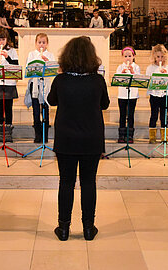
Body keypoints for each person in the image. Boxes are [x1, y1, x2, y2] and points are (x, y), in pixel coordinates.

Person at [47, 36, 110, 241]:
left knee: (66, 182)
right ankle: (88, 228)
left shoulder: (61, 80)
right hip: (91, 138)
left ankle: (63, 228)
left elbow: (51, 100)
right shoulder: (97, 80)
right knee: (88, 182)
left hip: (66, 138)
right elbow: (105, 104)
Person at [0, 28, 19, 143]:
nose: (1, 42)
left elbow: (16, 65)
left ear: (7, 39)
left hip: (9, 83)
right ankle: (0, 132)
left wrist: (7, 57)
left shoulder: (12, 51)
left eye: (3, 39)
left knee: (9, 108)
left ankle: (9, 131)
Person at [26, 33, 56, 143]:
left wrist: (47, 62)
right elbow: (28, 68)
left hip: (46, 86)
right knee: (36, 110)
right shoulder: (32, 54)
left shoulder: (50, 55)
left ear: (47, 44)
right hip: (34, 85)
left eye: (44, 42)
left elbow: (53, 69)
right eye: (39, 42)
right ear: (36, 43)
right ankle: (37, 135)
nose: (41, 45)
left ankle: (45, 135)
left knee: (45, 110)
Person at [146, 44, 168, 143]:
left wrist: (165, 74)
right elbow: (148, 81)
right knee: (154, 115)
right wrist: (157, 74)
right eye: (158, 57)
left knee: (164, 115)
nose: (160, 59)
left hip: (164, 94)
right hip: (154, 94)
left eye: (162, 56)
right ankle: (152, 137)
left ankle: (164, 137)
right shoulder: (150, 67)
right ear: (154, 57)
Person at [116, 46, 140, 143]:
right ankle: (121, 135)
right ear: (122, 57)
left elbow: (138, 79)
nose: (127, 58)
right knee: (122, 115)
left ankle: (130, 135)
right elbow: (117, 79)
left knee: (130, 115)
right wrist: (122, 73)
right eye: (125, 56)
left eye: (129, 56)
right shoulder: (120, 67)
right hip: (122, 94)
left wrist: (132, 72)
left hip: (132, 95)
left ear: (133, 56)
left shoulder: (136, 67)